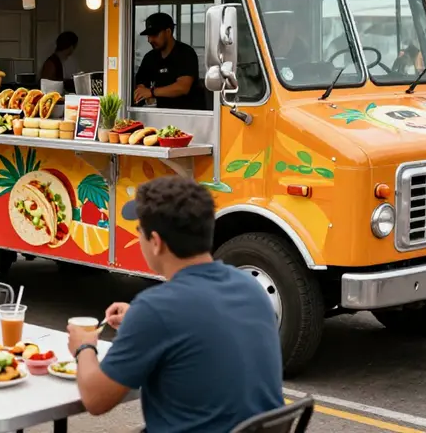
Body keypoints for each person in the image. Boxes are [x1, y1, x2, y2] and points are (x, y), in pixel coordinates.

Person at [67, 176, 283, 433]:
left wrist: (84, 347)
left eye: (139, 232)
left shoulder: (156, 309)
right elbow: (202, 325)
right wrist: (141, 320)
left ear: (156, 242)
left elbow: (95, 400)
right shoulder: (251, 288)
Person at [133, 13, 204, 110]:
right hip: (157, 114)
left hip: (187, 115)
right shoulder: (149, 58)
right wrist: (141, 92)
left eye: (154, 35)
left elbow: (183, 87)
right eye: (148, 36)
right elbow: (140, 83)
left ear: (168, 32)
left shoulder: (186, 53)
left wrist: (151, 92)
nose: (150, 40)